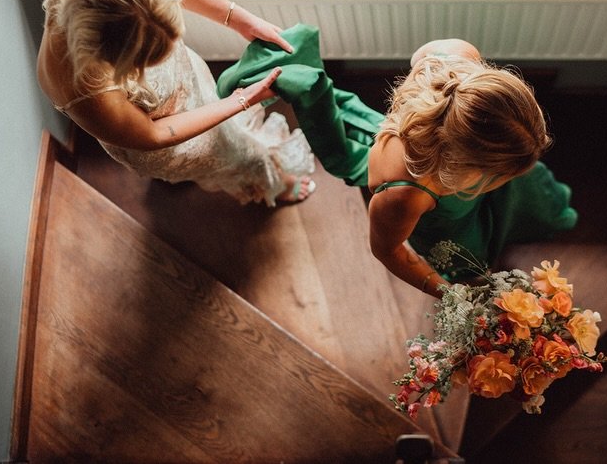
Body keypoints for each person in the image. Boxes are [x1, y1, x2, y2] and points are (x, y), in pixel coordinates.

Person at [215, 25, 577, 296]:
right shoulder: (404, 197)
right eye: (497, 175)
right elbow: (388, 251)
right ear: (459, 164)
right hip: (444, 215)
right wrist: (449, 295)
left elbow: (421, 57)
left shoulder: (457, 58)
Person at [37, 0, 316, 206]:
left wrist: (240, 19)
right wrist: (240, 101)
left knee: (222, 129)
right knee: (240, 154)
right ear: (122, 64)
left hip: (186, 87)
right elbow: (154, 133)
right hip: (158, 131)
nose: (175, 47)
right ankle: (272, 184)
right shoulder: (84, 91)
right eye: (156, 56)